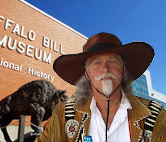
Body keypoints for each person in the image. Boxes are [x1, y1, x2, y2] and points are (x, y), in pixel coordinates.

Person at [35, 32, 166, 142]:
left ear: (123, 70)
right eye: (97, 63)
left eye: (112, 61)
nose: (105, 69)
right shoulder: (63, 115)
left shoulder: (154, 116)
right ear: (86, 74)